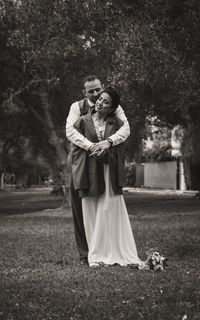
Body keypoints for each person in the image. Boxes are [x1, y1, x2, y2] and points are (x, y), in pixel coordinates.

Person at [71, 87, 143, 268]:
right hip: (89, 171)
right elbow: (74, 143)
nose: (100, 103)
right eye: (100, 99)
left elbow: (124, 138)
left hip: (108, 171)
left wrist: (107, 144)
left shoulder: (116, 122)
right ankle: (95, 255)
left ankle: (114, 251)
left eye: (105, 102)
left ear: (112, 108)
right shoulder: (82, 121)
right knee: (90, 211)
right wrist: (92, 149)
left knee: (108, 209)